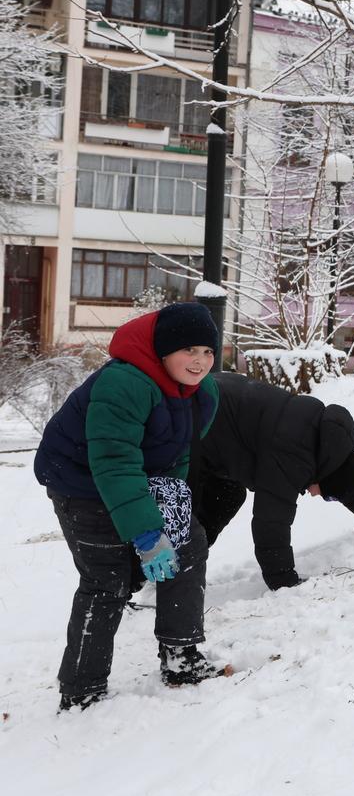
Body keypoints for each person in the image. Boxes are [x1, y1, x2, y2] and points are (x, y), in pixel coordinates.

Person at [34, 302, 226, 710]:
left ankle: (181, 656)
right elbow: (114, 463)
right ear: (163, 350)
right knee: (108, 581)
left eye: (208, 351)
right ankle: (82, 689)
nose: (200, 361)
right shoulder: (123, 383)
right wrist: (146, 532)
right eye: (189, 350)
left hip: (138, 477)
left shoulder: (202, 391)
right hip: (81, 484)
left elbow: (179, 453)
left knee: (188, 547)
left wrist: (170, 512)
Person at [188, 372, 354, 590]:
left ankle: (179, 562)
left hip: (214, 412)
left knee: (226, 494)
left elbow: (351, 485)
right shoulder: (293, 453)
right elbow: (271, 521)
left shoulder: (324, 440)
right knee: (187, 508)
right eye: (327, 495)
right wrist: (284, 582)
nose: (315, 494)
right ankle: (171, 568)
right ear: (326, 476)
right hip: (193, 427)